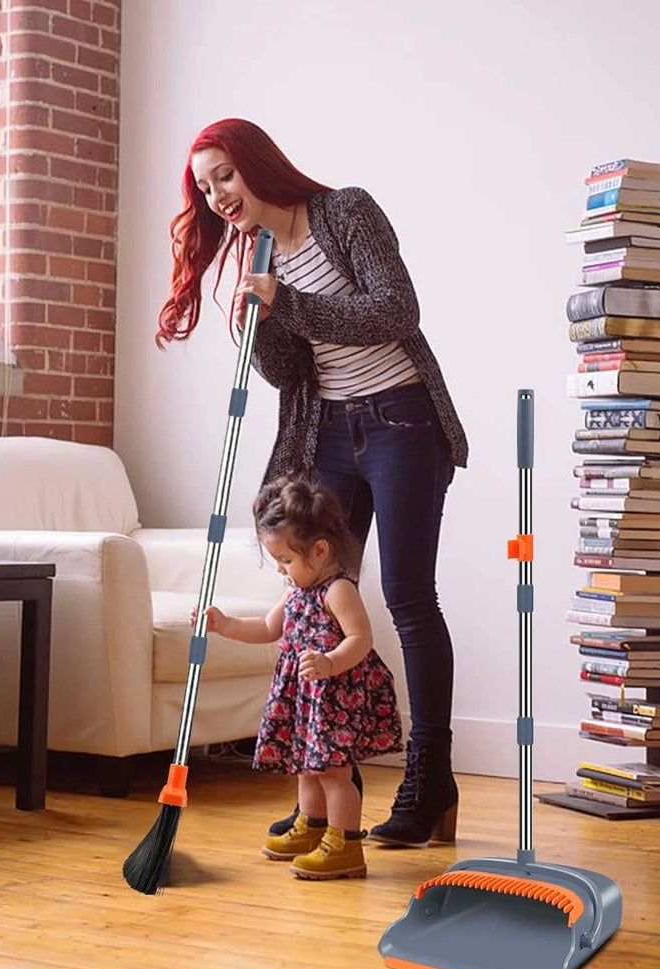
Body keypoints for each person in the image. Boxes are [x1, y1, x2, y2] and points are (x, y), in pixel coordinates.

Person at [158, 118, 469, 848]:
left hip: (402, 422)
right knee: (317, 601)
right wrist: (260, 325)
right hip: (326, 429)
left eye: (225, 176)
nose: (219, 196)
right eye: (206, 188)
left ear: (258, 164)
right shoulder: (255, 254)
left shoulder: (345, 212)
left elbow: (397, 310)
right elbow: (293, 373)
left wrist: (288, 302)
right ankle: (335, 794)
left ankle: (431, 779)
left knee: (408, 599)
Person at [194, 476, 403, 880]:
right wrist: (226, 625)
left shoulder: (338, 590)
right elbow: (267, 628)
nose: (281, 569)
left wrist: (330, 661)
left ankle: (345, 845)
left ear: (320, 550)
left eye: (286, 560)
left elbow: (361, 638)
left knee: (334, 774)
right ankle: (313, 826)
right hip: (306, 698)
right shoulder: (295, 592)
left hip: (334, 697)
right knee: (307, 768)